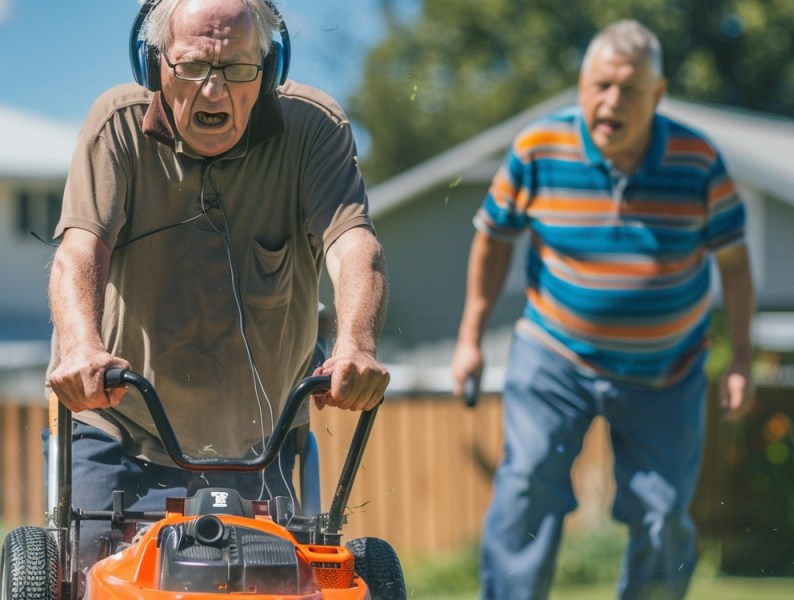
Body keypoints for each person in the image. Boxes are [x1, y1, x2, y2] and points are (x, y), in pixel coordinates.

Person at [46, 0, 389, 577]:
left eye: (237, 67)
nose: (213, 91)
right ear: (154, 65)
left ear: (271, 69)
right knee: (89, 579)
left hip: (264, 441)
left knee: (280, 582)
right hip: (121, 424)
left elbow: (353, 244)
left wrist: (357, 343)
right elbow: (81, 250)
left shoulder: (314, 130)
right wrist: (81, 347)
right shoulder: (117, 128)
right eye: (193, 67)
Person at [451, 19, 754, 600]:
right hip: (554, 354)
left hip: (667, 371)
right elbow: (492, 239)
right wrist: (469, 338)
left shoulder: (698, 161)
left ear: (658, 95)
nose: (610, 101)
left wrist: (740, 357)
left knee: (663, 516)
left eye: (630, 89)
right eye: (599, 85)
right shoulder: (538, 149)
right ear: (582, 85)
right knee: (527, 487)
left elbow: (736, 266)